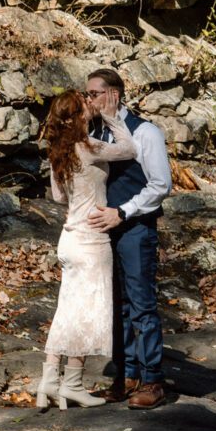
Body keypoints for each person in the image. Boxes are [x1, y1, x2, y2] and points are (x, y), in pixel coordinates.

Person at [36, 88, 138, 410]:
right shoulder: (88, 147)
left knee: (67, 310)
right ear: (77, 115)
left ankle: (49, 381)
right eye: (85, 106)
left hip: (69, 239)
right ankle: (73, 384)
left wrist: (82, 195)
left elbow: (57, 197)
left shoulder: (59, 149)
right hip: (91, 241)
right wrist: (112, 118)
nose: (91, 107)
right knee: (85, 314)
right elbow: (129, 148)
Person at [86, 68, 171, 409]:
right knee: (116, 307)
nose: (88, 100)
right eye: (86, 94)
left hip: (135, 229)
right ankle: (127, 375)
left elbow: (160, 185)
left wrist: (122, 212)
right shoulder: (92, 132)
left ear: (114, 95)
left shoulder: (145, 132)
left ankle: (153, 380)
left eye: (93, 94)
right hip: (102, 232)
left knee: (141, 306)